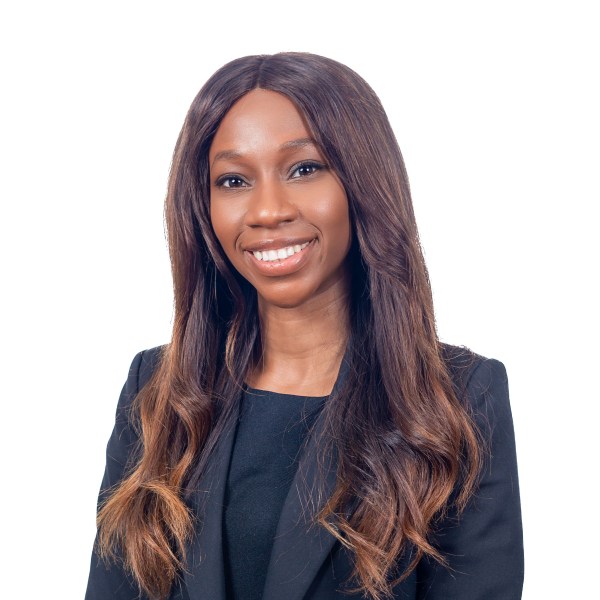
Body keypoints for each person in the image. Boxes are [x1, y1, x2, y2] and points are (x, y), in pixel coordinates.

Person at [85, 52, 524, 600]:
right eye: (234, 179)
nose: (268, 210)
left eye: (304, 169)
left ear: (361, 183)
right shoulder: (157, 392)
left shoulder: (457, 398)